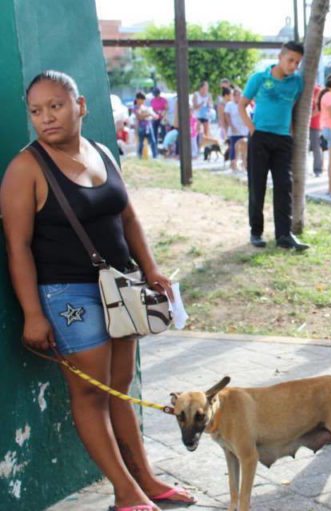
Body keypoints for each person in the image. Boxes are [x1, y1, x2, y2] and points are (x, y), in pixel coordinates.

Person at [0, 71, 195, 511]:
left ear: (80, 105)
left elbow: (127, 219)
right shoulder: (26, 168)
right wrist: (32, 312)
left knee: (120, 387)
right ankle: (126, 493)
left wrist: (152, 269)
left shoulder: (102, 151)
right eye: (36, 111)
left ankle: (146, 479)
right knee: (90, 393)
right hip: (68, 295)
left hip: (120, 289)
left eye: (56, 106)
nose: (46, 117)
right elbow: (17, 246)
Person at [239, 41, 309, 251]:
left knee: (283, 187)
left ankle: (284, 236)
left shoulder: (297, 82)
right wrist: (253, 130)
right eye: (290, 60)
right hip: (260, 138)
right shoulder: (259, 78)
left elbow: (295, 109)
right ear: (280, 57)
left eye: (297, 62)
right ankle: (256, 232)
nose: (293, 66)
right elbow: (242, 105)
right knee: (257, 186)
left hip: (282, 140)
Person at [224, 87, 249, 171]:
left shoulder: (244, 104)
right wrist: (231, 126)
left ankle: (244, 163)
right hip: (234, 130)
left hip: (244, 129)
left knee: (245, 146)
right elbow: (227, 116)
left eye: (240, 95)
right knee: (234, 146)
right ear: (234, 96)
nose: (239, 96)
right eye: (237, 95)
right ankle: (233, 164)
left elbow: (248, 115)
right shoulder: (230, 105)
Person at [133, 92, 158, 159]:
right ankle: (139, 157)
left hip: (148, 126)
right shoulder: (135, 107)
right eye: (142, 99)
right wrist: (149, 114)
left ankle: (155, 156)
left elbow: (153, 115)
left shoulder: (145, 107)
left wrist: (151, 115)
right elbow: (139, 117)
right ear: (138, 99)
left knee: (153, 142)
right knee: (141, 143)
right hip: (141, 127)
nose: (143, 101)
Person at [309, 84, 323, 177]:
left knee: (316, 147)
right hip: (302, 125)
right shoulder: (301, 88)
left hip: (315, 124)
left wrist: (307, 117)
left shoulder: (318, 90)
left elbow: (319, 109)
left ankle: (318, 170)